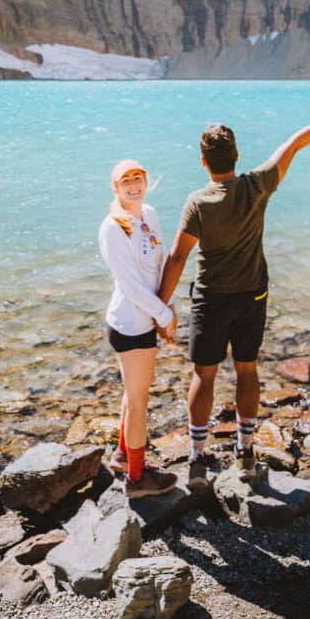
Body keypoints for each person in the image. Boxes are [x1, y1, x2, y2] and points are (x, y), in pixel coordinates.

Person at [159, 87, 310, 487]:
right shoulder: (257, 185)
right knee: (247, 369)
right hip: (252, 296)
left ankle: (197, 458)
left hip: (210, 299)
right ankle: (245, 454)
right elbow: (294, 144)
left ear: (203, 161)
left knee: (204, 374)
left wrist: (160, 307)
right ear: (236, 157)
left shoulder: (198, 202)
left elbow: (177, 258)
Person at [98, 158, 179, 497]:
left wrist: (167, 304)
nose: (133, 184)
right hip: (130, 325)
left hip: (146, 318)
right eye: (125, 180)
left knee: (133, 396)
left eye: (138, 177)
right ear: (115, 188)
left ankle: (121, 455)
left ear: (147, 182)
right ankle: (136, 479)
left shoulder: (149, 213)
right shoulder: (112, 227)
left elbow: (156, 269)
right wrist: (164, 317)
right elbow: (130, 286)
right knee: (139, 402)